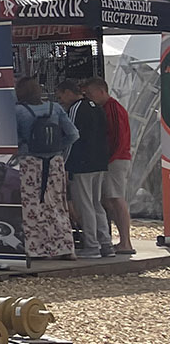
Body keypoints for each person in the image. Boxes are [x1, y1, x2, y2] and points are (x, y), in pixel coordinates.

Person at [14, 77, 78, 260]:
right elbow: (73, 134)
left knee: (32, 206)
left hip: (29, 163)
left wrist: (25, 149)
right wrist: (57, 148)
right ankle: (65, 247)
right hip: (55, 163)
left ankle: (36, 249)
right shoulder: (55, 108)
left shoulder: (18, 111)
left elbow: (14, 139)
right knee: (56, 204)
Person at [56, 78, 113, 258]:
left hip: (82, 164)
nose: (60, 101)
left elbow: (72, 137)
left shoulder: (75, 109)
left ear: (68, 92)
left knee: (85, 205)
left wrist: (64, 163)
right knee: (96, 203)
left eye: (60, 97)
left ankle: (92, 245)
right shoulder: (96, 107)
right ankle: (106, 243)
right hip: (99, 162)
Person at [85, 76, 137, 254]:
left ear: (101, 91)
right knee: (109, 199)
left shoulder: (113, 108)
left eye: (90, 93)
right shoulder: (106, 108)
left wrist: (107, 159)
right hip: (113, 158)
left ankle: (126, 242)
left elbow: (117, 137)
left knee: (116, 198)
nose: (89, 97)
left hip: (115, 159)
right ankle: (122, 240)